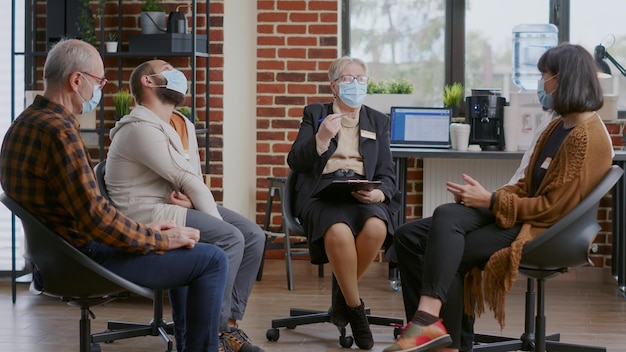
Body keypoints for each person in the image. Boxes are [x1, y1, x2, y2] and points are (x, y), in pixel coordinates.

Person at [0, 38, 228, 352]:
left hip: (52, 262)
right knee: (211, 259)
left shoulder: (22, 124)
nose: (100, 90)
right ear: (76, 80)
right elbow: (95, 219)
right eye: (99, 82)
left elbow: (89, 211)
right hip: (82, 259)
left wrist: (147, 230)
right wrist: (160, 239)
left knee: (188, 247)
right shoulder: (59, 132)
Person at [383, 43, 614, 352]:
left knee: (452, 252)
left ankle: (442, 339)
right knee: (411, 235)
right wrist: (487, 196)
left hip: (544, 229)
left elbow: (551, 209)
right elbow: (526, 185)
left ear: (560, 80)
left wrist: (491, 202)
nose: (541, 84)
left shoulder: (587, 137)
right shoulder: (559, 126)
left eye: (544, 75)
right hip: (521, 213)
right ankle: (430, 327)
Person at [104, 59, 266, 352]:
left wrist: (195, 201)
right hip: (146, 213)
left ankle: (228, 326)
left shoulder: (181, 124)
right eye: (167, 69)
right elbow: (185, 177)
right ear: (148, 82)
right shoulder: (139, 128)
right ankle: (214, 336)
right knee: (231, 237)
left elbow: (193, 179)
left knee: (254, 237)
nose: (177, 74)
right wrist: (215, 219)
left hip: (176, 204)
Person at [287, 56, 402, 350]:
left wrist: (380, 193)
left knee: (377, 227)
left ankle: (342, 302)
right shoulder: (316, 114)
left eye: (360, 80)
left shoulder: (379, 120)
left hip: (362, 192)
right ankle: (356, 310)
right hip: (321, 192)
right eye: (348, 80)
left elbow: (388, 171)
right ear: (334, 87)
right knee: (338, 231)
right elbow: (296, 161)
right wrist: (321, 139)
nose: (355, 85)